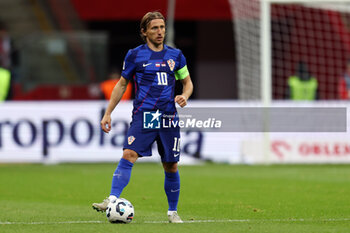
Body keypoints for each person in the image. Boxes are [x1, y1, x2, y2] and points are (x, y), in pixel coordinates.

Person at [92, 11, 193, 223]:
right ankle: (111, 200)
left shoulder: (176, 56)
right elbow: (121, 84)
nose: (159, 32)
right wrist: (108, 112)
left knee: (171, 165)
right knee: (129, 153)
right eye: (155, 28)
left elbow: (187, 82)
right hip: (145, 114)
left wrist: (184, 95)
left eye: (162, 27)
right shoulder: (135, 55)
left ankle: (172, 212)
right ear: (144, 31)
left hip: (167, 117)